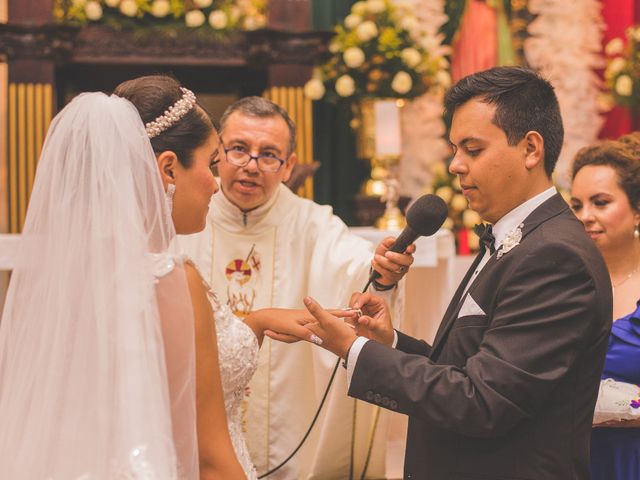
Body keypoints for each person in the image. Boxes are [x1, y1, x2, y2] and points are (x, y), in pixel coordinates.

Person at [295, 66, 613, 479]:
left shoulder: (555, 255)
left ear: (531, 149)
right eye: (455, 150)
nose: (456, 166)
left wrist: (355, 352)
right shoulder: (518, 237)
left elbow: (482, 402)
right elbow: (471, 371)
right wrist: (388, 343)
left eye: (473, 149)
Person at [0, 75, 311, 479]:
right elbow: (210, 460)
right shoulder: (170, 281)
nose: (215, 185)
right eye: (211, 163)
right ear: (168, 168)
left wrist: (257, 322)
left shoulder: (63, 279)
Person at [179, 96, 414, 479]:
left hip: (288, 429)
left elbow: (357, 270)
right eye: (239, 149)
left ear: (289, 166)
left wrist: (382, 273)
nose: (251, 166)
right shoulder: (185, 215)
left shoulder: (311, 222)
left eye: (268, 155)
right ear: (216, 152)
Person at [570, 133, 640, 480]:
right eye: (577, 205)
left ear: (637, 209)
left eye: (600, 202)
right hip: (569, 455)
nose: (585, 216)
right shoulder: (560, 283)